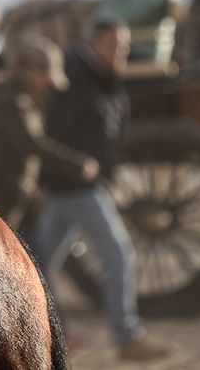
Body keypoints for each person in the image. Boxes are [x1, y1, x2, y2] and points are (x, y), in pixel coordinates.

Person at [34, 22, 169, 362]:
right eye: (113, 46)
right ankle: (127, 336)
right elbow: (53, 130)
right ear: (93, 44)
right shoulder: (76, 77)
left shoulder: (104, 75)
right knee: (118, 253)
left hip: (76, 185)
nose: (120, 53)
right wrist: (53, 174)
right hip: (77, 184)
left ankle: (48, 332)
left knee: (39, 262)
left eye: (123, 47)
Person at [0, 32, 98, 232]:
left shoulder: (19, 99)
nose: (49, 86)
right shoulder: (11, 102)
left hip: (10, 194)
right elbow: (33, 144)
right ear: (32, 70)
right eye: (46, 77)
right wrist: (77, 165)